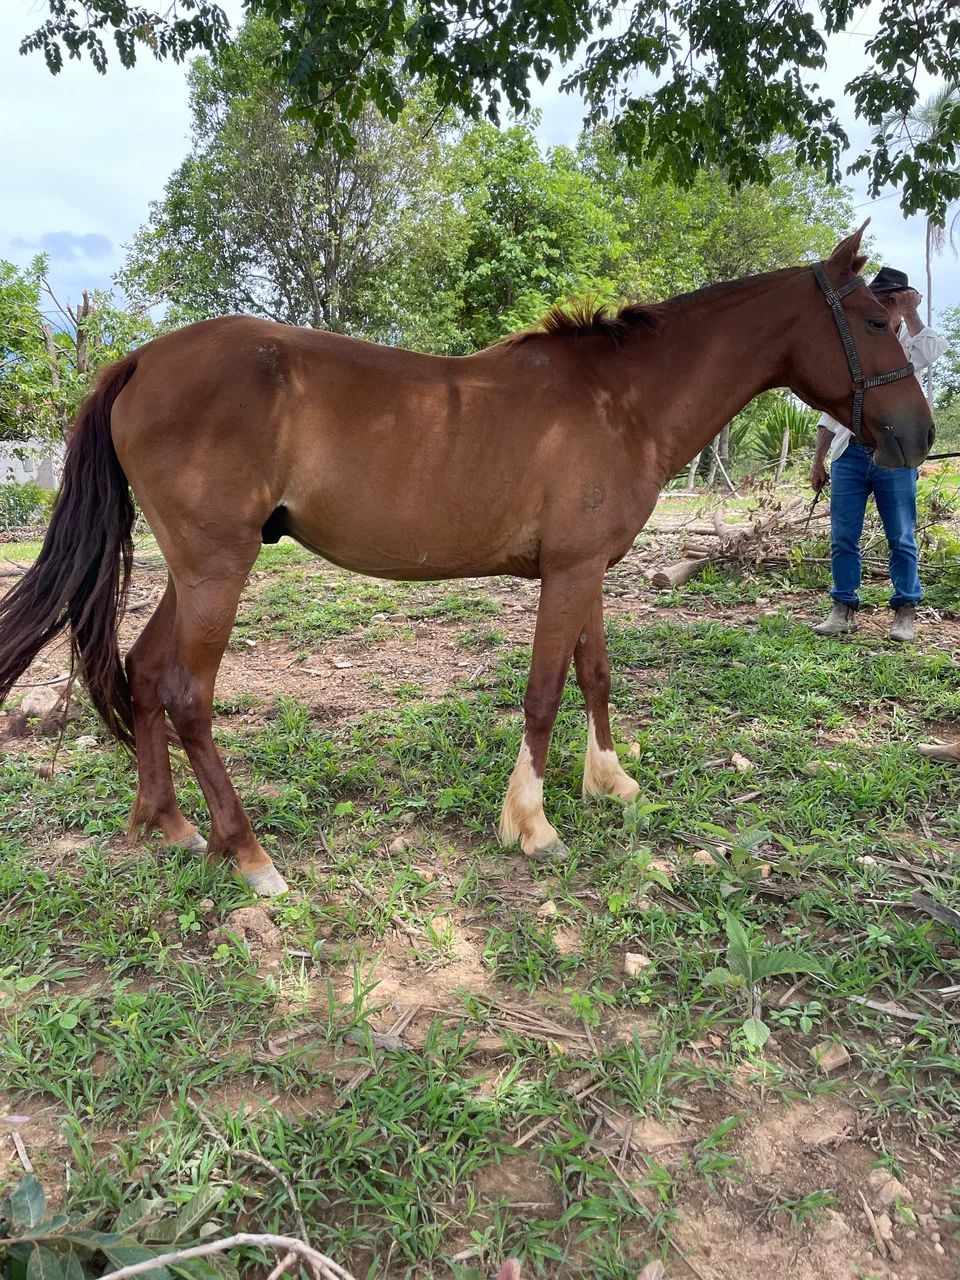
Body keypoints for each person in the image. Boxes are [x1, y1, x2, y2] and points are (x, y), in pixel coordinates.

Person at [810, 267, 948, 641]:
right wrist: (819, 458)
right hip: (849, 453)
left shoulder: (906, 346)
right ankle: (843, 608)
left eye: (892, 301)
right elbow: (832, 409)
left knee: (901, 535)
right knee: (843, 535)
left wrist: (910, 311)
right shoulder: (856, 345)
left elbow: (934, 349)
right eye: (881, 301)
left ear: (902, 302)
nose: (886, 308)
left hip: (895, 452)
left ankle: (905, 610)